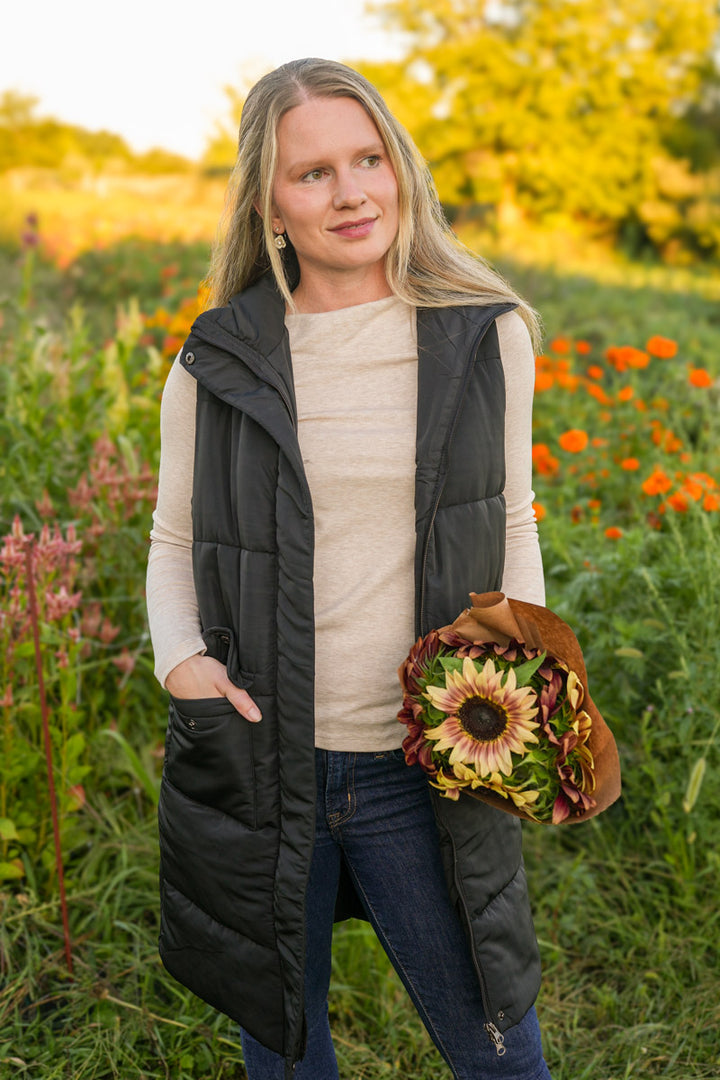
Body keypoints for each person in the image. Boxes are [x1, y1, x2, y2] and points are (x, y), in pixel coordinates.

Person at [146, 57, 552, 1080]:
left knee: (499, 1052)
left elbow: (514, 522)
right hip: (261, 758)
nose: (353, 192)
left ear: (402, 169)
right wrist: (181, 665)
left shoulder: (485, 337)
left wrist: (519, 688)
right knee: (283, 1049)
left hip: (423, 767)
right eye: (314, 172)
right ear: (270, 205)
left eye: (369, 158)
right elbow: (172, 540)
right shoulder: (218, 359)